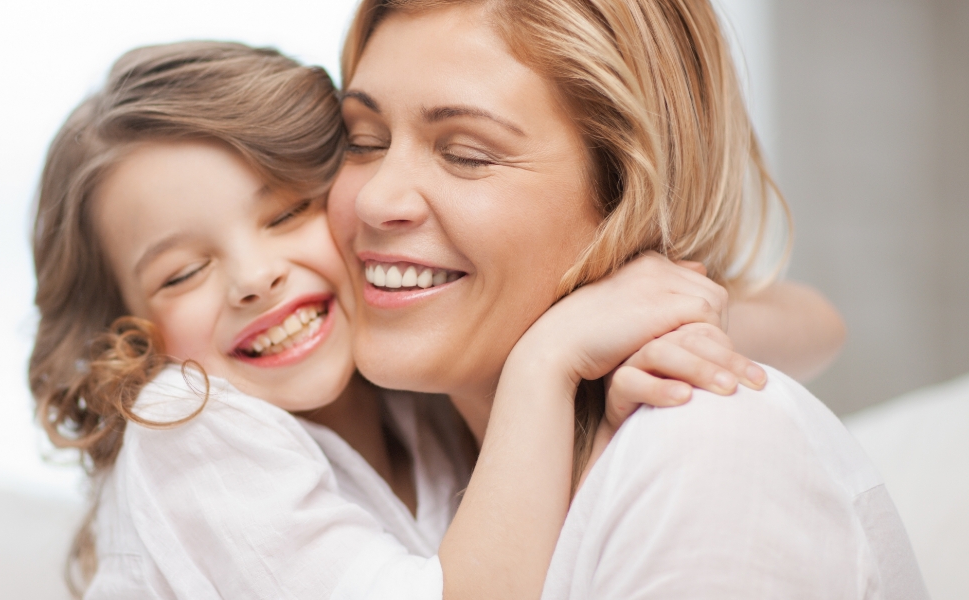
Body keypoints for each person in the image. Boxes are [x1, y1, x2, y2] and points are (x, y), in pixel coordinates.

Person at [27, 40, 840, 599]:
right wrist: (547, 358)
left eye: (285, 214)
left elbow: (815, 327)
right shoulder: (187, 421)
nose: (253, 278)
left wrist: (642, 310)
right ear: (128, 339)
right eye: (182, 273)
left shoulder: (409, 384)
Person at [331, 0, 926, 597]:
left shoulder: (705, 456)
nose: (376, 200)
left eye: (467, 154)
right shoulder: (383, 447)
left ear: (627, 196)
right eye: (362, 142)